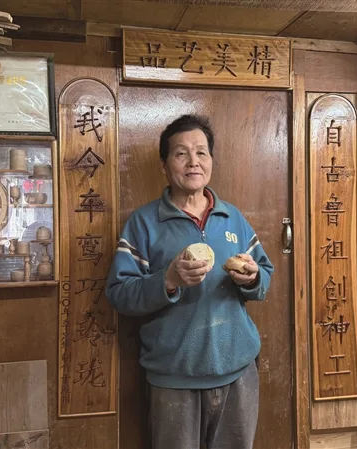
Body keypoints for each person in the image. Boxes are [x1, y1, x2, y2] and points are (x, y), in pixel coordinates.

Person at [105, 114, 274, 449]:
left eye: (201, 152)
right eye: (181, 153)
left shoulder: (233, 218)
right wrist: (168, 279)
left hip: (238, 372)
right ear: (164, 165)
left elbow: (265, 276)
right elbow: (119, 294)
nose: (193, 162)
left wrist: (253, 278)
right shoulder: (144, 223)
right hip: (174, 379)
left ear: (211, 161)